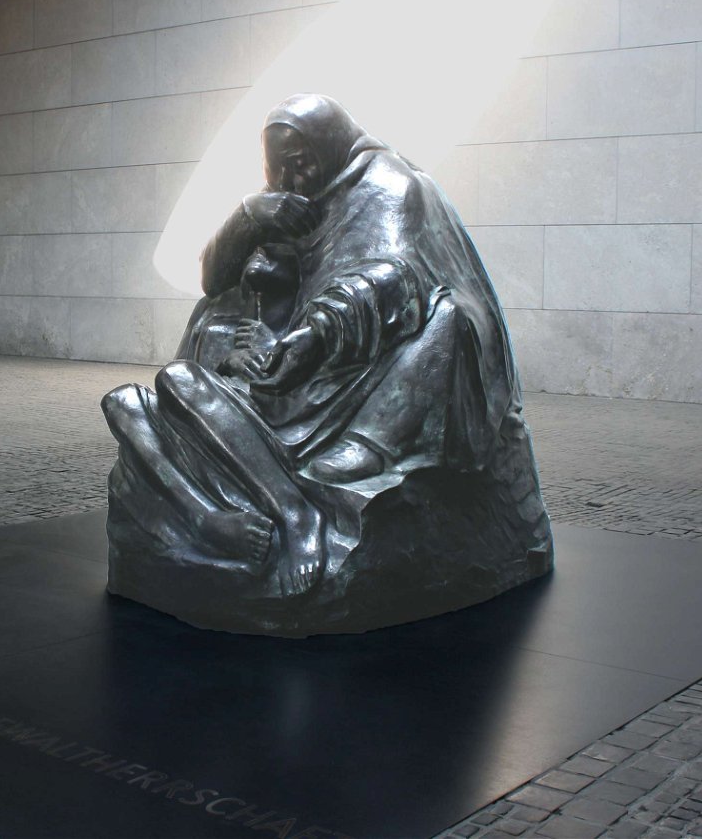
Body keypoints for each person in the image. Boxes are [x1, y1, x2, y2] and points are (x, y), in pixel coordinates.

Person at [103, 94, 552, 630]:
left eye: (301, 163)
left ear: (330, 147)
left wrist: (311, 337)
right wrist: (248, 217)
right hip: (280, 368)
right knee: (158, 388)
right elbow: (214, 279)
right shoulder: (284, 200)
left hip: (353, 367)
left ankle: (347, 461)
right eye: (278, 166)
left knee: (449, 322)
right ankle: (229, 507)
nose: (289, 179)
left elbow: (397, 276)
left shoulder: (390, 187)